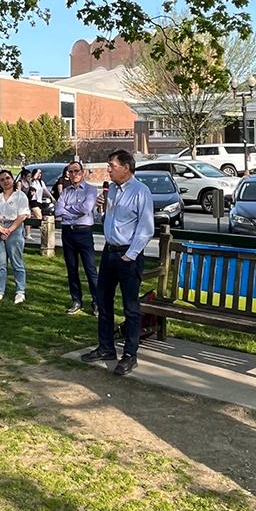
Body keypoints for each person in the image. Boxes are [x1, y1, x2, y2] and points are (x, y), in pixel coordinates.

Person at [81, 150, 154, 377]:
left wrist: (130, 255)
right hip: (110, 253)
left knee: (131, 307)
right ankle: (106, 347)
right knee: (103, 301)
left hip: (127, 256)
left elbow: (146, 228)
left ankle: (130, 354)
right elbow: (110, 222)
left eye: (112, 165)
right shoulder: (111, 189)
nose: (109, 169)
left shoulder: (140, 191)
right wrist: (102, 209)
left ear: (126, 167)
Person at [54, 160, 99, 315]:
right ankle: (76, 300)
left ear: (83, 172)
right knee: (71, 269)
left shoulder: (91, 190)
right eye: (71, 171)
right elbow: (58, 211)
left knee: (90, 269)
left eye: (76, 171)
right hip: (68, 232)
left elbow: (86, 209)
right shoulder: (66, 191)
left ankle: (97, 302)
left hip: (84, 232)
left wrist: (68, 209)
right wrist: (72, 211)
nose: (74, 174)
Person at [0, 169, 30, 305]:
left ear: (12, 179)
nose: (5, 181)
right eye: (2, 179)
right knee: (0, 263)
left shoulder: (20, 196)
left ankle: (20, 291)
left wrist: (9, 230)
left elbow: (22, 215)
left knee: (17, 262)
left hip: (14, 229)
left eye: (7, 178)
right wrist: (0, 229)